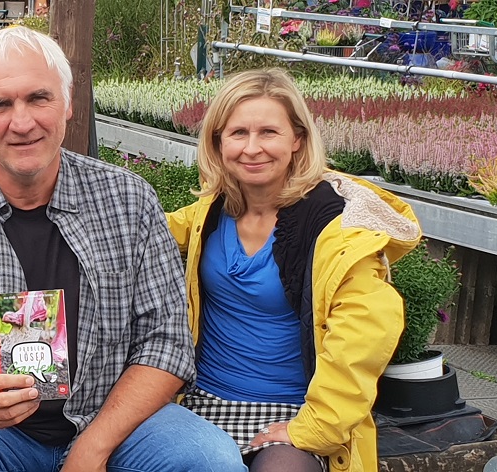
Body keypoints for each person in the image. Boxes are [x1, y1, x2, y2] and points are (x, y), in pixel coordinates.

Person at [0, 26, 245, 472]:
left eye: (39, 98)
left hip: (112, 419)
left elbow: (165, 345)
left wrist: (94, 446)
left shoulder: (128, 200)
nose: (22, 122)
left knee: (211, 460)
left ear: (69, 102)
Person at [167, 68, 422, 472]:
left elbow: (365, 335)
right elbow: (142, 231)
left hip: (293, 410)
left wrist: (312, 429)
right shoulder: (210, 213)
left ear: (298, 139)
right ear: (217, 142)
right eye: (237, 133)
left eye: (269, 132)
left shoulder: (334, 228)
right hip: (199, 400)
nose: (252, 148)